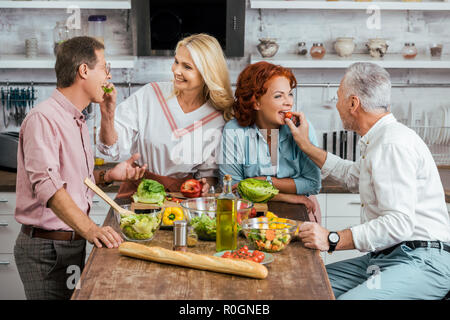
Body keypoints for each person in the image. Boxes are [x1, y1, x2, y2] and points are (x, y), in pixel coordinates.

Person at [287, 62, 450, 300]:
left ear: (353, 103)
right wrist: (307, 147)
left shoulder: (391, 144)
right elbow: (354, 176)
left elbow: (398, 223)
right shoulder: (380, 139)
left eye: (338, 97)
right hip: (385, 258)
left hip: (422, 261)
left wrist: (332, 239)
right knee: (303, 286)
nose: (337, 105)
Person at [13, 36, 147, 300]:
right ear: (84, 70)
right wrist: (92, 230)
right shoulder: (44, 118)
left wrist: (108, 176)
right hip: (46, 250)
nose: (108, 77)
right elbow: (49, 189)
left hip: (69, 245)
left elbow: (75, 181)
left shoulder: (76, 119)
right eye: (105, 68)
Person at [97, 33, 234, 198]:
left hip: (183, 197)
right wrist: (107, 115)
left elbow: (208, 174)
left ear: (207, 73)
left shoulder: (217, 119)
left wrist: (205, 186)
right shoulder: (151, 94)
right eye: (176, 62)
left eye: (187, 67)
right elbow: (110, 147)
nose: (176, 70)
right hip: (138, 193)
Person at [219, 62, 322, 221]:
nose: (288, 102)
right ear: (256, 102)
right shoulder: (234, 131)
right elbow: (232, 189)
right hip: (251, 213)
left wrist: (263, 181)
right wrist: (287, 196)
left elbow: (313, 184)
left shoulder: (302, 128)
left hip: (301, 209)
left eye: (290, 94)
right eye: (278, 96)